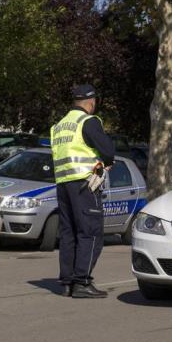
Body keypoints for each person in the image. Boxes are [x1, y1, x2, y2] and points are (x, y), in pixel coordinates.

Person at [51, 84, 115, 298]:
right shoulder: (88, 121)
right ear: (91, 102)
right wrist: (106, 161)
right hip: (85, 184)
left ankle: (67, 282)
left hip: (63, 184)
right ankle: (82, 282)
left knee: (68, 233)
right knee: (90, 232)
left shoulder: (59, 126)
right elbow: (108, 150)